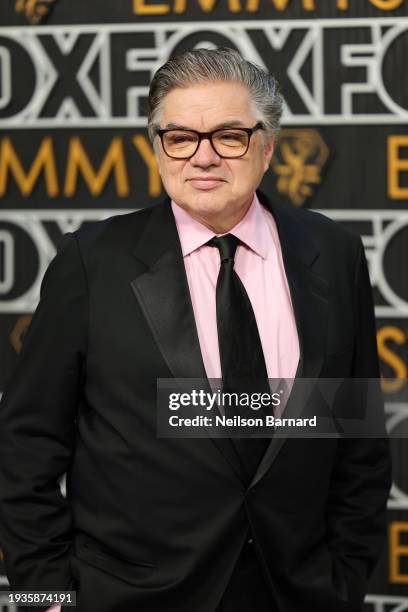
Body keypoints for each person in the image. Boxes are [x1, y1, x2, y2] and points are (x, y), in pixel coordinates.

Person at [0, 48, 391, 612]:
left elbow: (357, 439)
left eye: (229, 135)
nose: (202, 158)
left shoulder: (333, 254)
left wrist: (344, 581)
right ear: (158, 148)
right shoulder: (93, 262)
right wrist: (47, 600)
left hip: (297, 594)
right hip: (130, 598)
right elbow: (25, 447)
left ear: (268, 146)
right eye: (179, 137)